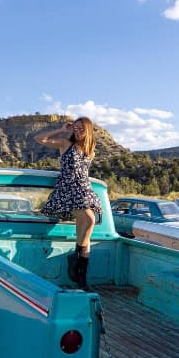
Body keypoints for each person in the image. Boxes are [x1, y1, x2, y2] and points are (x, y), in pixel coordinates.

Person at [34, 117, 102, 289]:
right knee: (90, 220)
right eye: (76, 128)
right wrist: (61, 130)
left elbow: (83, 173)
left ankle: (82, 280)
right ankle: (75, 256)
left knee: (86, 235)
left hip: (84, 189)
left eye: (81, 129)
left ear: (88, 130)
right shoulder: (65, 143)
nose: (77, 132)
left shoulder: (90, 150)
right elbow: (39, 139)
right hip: (68, 190)